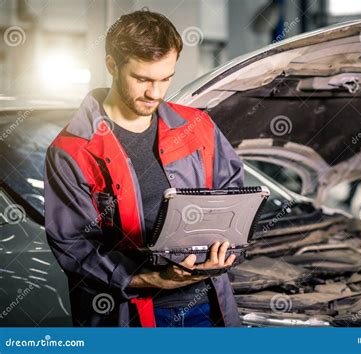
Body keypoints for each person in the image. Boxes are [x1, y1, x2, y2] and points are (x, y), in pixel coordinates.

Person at [44, 9, 244, 327]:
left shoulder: (197, 126)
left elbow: (233, 196)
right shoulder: (72, 151)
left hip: (208, 304)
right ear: (112, 65)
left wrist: (226, 249)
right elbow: (74, 246)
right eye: (142, 79)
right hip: (131, 315)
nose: (155, 93)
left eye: (165, 79)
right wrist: (151, 279)